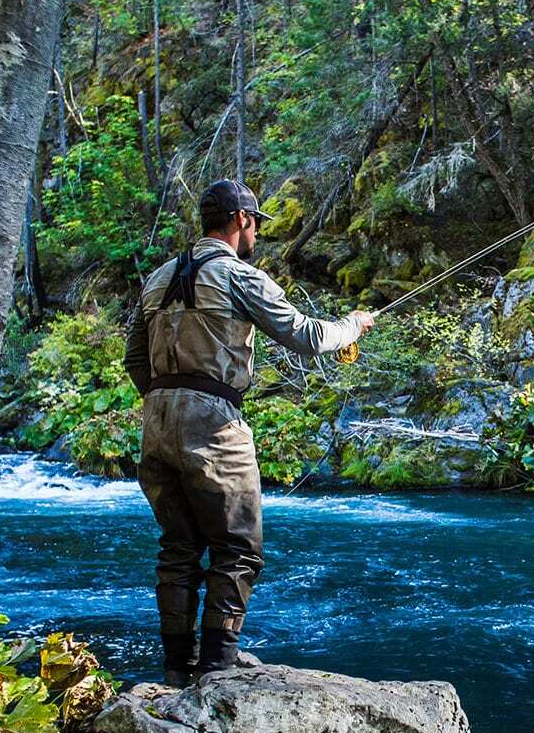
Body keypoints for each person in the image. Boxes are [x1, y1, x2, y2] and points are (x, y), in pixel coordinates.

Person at [123, 179, 375, 684]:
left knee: (178, 547)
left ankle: (177, 668)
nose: (257, 232)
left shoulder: (156, 278)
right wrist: (354, 324)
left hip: (155, 419)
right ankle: (218, 671)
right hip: (214, 420)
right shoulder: (240, 276)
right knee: (238, 547)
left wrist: (166, 398)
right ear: (241, 220)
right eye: (256, 222)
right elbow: (308, 337)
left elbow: (134, 358)